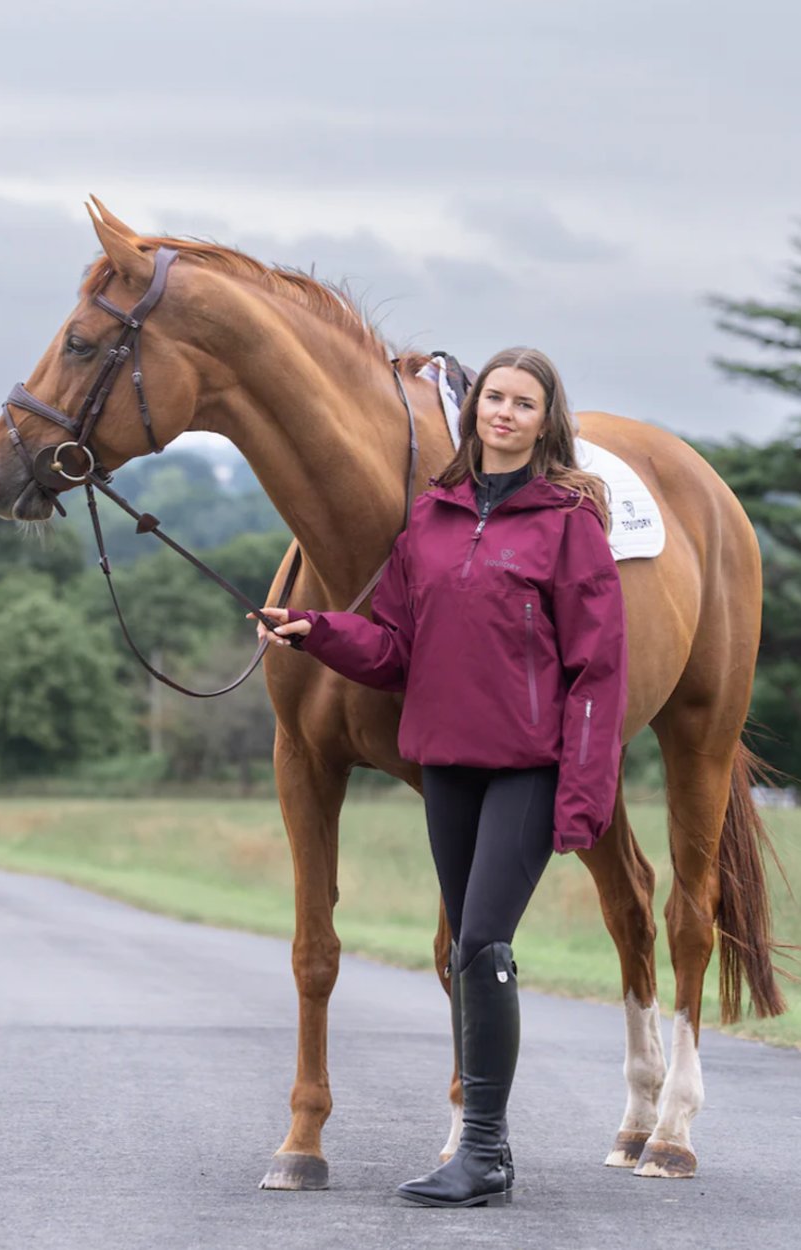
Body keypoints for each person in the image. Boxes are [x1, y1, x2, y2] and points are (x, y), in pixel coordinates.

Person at [254, 347, 627, 1208]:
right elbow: (393, 648)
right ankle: (483, 1152)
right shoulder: (431, 520)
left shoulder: (569, 521)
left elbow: (600, 670)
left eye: (523, 403)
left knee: (483, 947)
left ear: (545, 420)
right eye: (494, 398)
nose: (504, 413)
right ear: (475, 411)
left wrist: (584, 793)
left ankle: (485, 1150)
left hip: (528, 768)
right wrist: (316, 628)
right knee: (466, 951)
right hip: (448, 764)